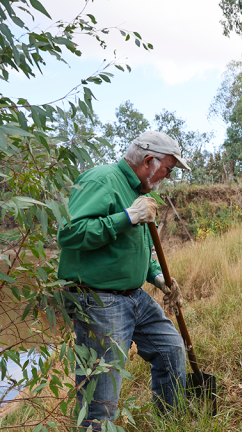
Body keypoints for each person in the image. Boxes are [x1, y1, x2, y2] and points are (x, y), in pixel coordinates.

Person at [58, 131, 190, 428]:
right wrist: (127, 216)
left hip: (133, 295)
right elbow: (68, 234)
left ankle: (168, 423)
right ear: (148, 161)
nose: (168, 176)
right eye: (168, 169)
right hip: (98, 299)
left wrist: (158, 278)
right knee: (101, 395)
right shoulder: (100, 181)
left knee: (170, 349)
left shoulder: (140, 192)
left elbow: (137, 247)